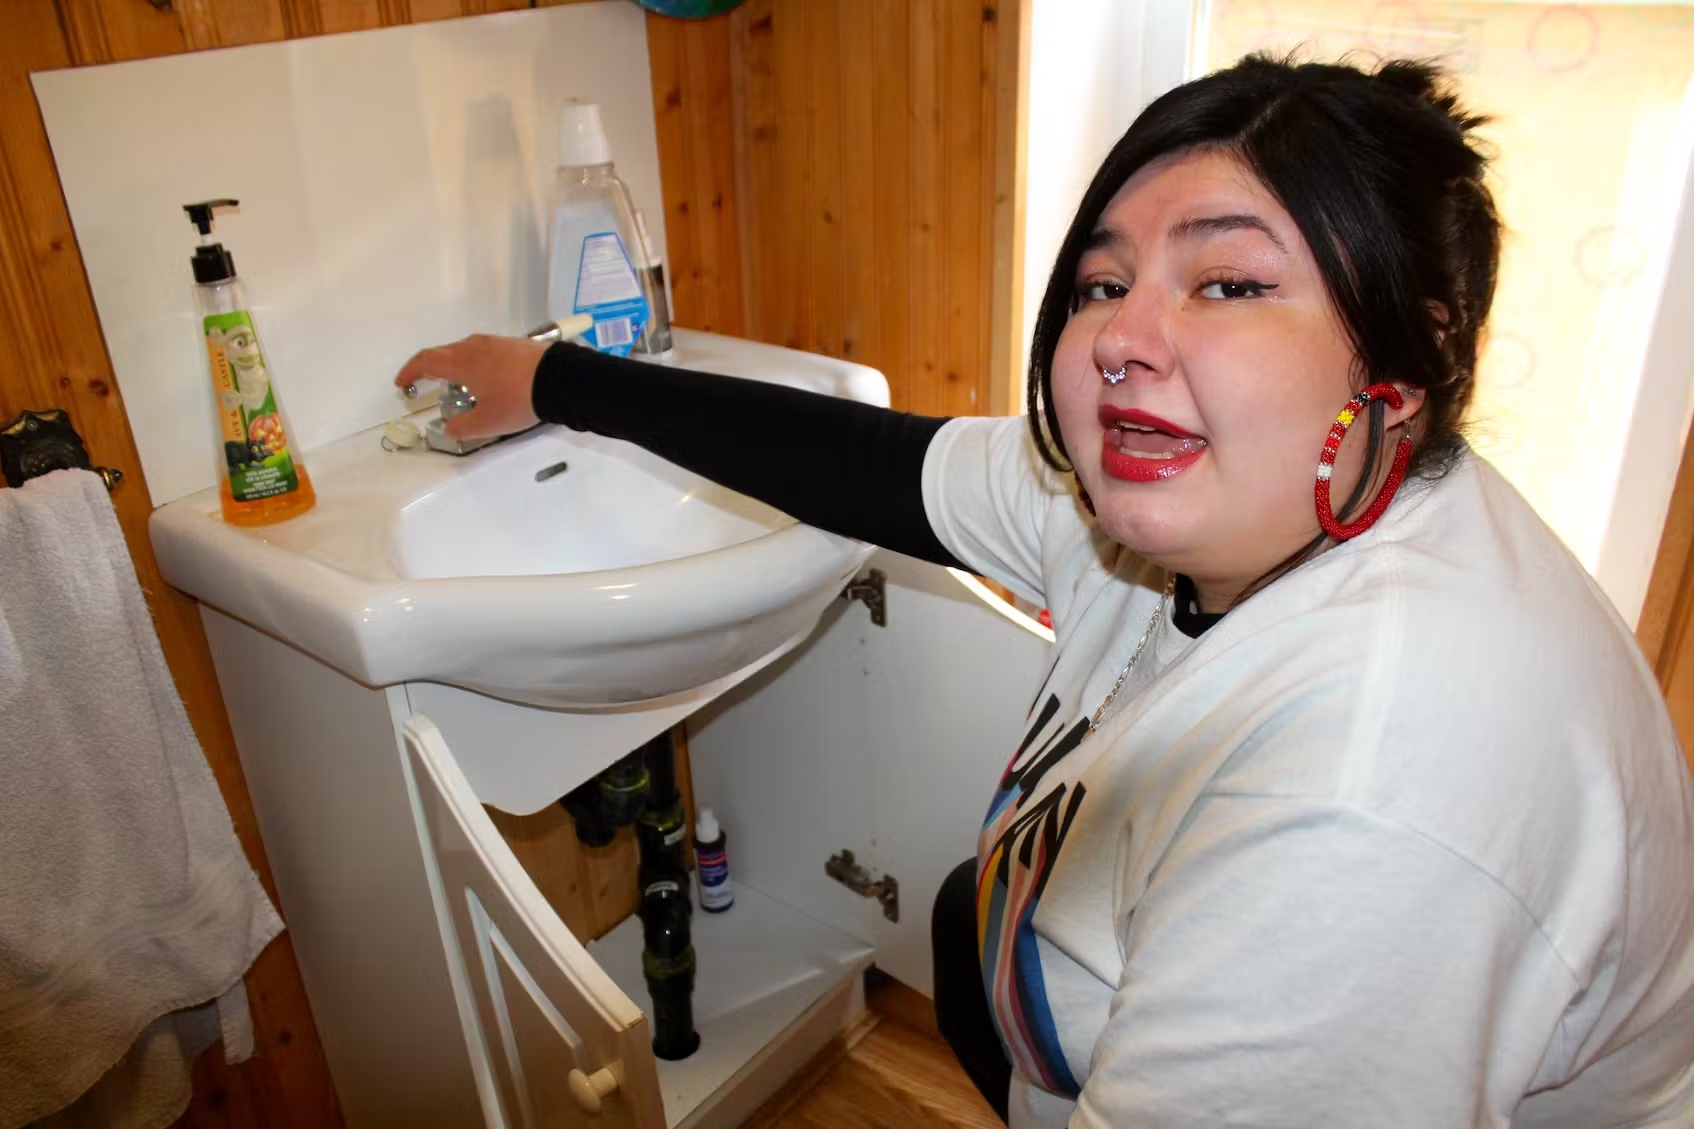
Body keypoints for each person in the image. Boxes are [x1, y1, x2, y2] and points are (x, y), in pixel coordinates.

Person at [396, 54, 1694, 1129]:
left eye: (1228, 282)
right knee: (973, 912)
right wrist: (556, 378)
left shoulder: (1376, 798)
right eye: (1101, 282)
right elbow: (873, 465)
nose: (1122, 337)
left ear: (1408, 364)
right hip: (1094, 996)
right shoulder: (1193, 494)